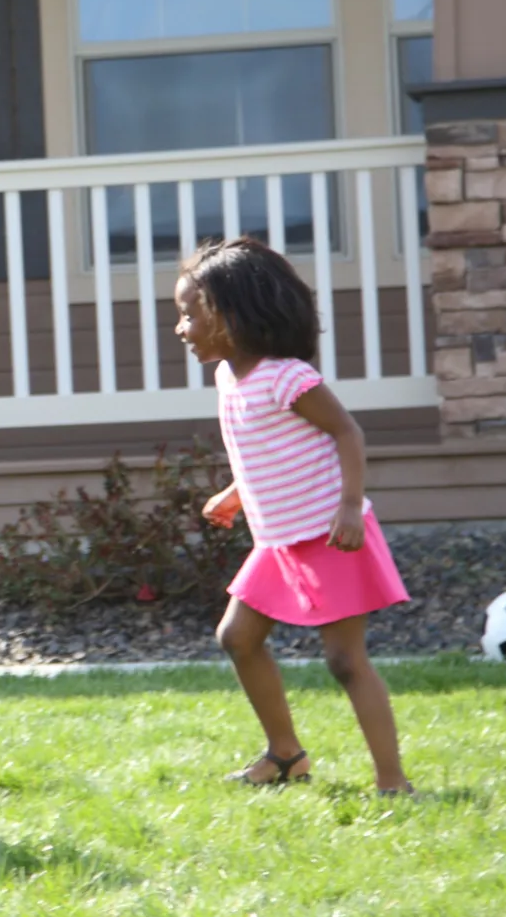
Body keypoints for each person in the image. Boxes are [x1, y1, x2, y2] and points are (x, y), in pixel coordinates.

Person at [174, 237, 415, 795]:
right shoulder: (229, 379)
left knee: (344, 660)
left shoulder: (288, 377)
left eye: (190, 316)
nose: (182, 330)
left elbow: (346, 433)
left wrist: (350, 507)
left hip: (329, 533)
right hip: (279, 540)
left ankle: (393, 781)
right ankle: (285, 755)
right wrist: (236, 492)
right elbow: (269, 449)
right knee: (237, 637)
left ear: (231, 316)